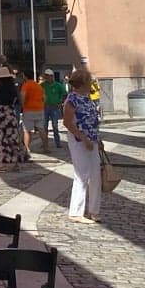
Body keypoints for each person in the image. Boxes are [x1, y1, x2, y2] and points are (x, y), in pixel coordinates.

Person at [62, 69, 101, 223]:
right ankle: (76, 212)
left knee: (95, 175)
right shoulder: (72, 99)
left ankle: (93, 210)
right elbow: (68, 122)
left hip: (93, 139)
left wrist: (98, 139)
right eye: (89, 80)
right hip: (79, 140)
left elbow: (93, 120)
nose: (91, 83)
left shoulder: (88, 98)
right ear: (82, 83)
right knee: (82, 175)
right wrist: (83, 138)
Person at [0, 66, 25, 171]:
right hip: (10, 113)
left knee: (1, 139)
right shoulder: (13, 88)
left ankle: (2, 163)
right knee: (13, 138)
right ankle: (16, 163)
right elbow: (18, 101)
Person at [19, 70, 45, 155]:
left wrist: (22, 106)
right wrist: (41, 105)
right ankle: (45, 145)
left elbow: (23, 95)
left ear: (25, 76)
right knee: (41, 128)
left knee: (27, 130)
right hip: (39, 109)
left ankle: (27, 148)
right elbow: (44, 97)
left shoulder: (26, 85)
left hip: (29, 109)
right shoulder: (38, 86)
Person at [41, 68, 67, 150]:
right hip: (44, 107)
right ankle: (45, 143)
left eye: (49, 76)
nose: (47, 78)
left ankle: (58, 143)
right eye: (46, 76)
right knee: (44, 126)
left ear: (52, 76)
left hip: (55, 107)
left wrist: (60, 102)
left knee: (55, 126)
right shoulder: (42, 85)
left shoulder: (58, 85)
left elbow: (64, 94)